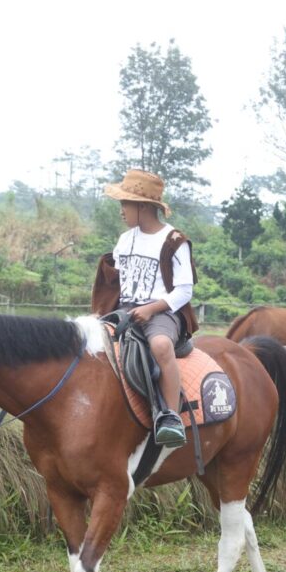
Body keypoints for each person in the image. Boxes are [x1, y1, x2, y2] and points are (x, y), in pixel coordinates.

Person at [92, 168, 199, 448]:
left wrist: (152, 309)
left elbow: (185, 290)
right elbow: (116, 282)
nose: (121, 211)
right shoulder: (125, 239)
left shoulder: (174, 241)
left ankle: (170, 417)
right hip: (124, 309)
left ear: (142, 207)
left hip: (162, 313)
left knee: (161, 345)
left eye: (124, 204)